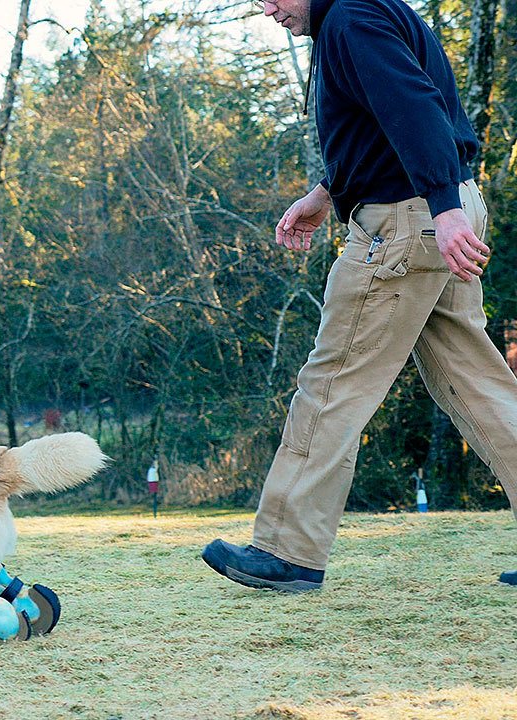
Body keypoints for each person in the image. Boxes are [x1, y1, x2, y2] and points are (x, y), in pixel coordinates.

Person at [202, 0, 517, 591]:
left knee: (334, 382)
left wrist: (442, 210)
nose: (268, 9)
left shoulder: (351, 19)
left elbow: (415, 108)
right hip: (439, 210)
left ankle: (287, 551)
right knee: (478, 384)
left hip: (409, 221)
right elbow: (381, 123)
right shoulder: (364, 13)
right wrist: (327, 193)